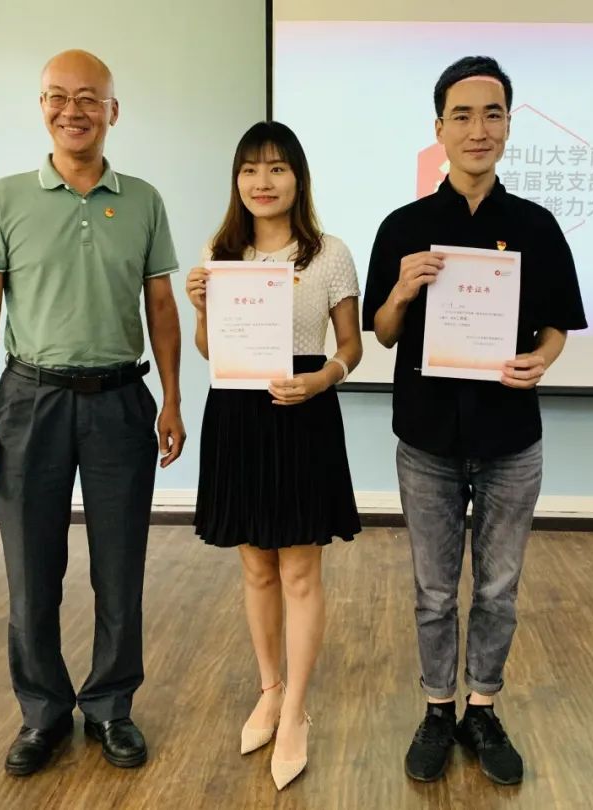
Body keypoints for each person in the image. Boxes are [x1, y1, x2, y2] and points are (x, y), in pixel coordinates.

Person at [0, 49, 185, 776]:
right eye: (58, 96)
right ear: (42, 107)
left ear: (113, 111)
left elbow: (160, 306)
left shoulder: (142, 200)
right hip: (30, 402)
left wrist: (173, 398)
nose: (73, 110)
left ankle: (112, 706)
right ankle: (43, 713)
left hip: (121, 401)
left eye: (89, 98)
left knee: (120, 568)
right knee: (32, 571)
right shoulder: (2, 199)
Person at [362, 56, 587, 786]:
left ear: (509, 126)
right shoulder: (404, 227)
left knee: (497, 589)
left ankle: (482, 707)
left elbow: (557, 325)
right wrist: (401, 290)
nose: (477, 129)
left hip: (510, 438)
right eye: (462, 115)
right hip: (426, 438)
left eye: (492, 114)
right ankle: (437, 708)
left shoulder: (536, 226)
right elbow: (383, 333)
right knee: (433, 590)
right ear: (440, 128)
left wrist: (541, 359)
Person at [185, 120, 362, 791]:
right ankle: (269, 687)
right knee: (256, 566)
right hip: (237, 415)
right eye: (251, 169)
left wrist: (323, 379)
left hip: (303, 412)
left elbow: (351, 345)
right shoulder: (220, 252)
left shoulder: (329, 254)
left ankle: (295, 711)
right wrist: (201, 309)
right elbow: (211, 349)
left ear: (298, 177)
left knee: (300, 571)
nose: (263, 181)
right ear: (237, 179)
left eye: (278, 168)